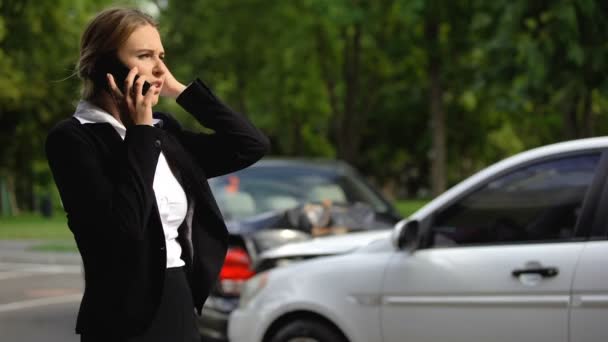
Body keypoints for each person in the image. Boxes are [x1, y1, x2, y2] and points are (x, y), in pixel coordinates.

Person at [45, 7, 269, 342]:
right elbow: (124, 229)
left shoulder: (164, 132)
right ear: (106, 65)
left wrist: (179, 90)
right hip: (120, 320)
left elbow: (249, 145)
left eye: (161, 56)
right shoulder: (74, 139)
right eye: (145, 55)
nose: (158, 67)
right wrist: (141, 131)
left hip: (179, 303)